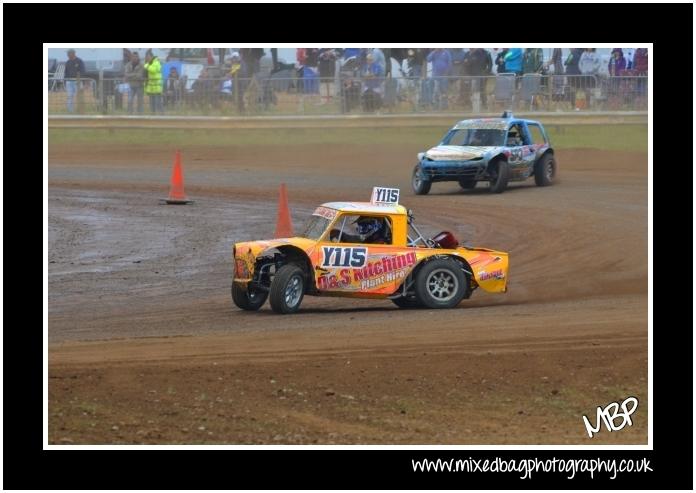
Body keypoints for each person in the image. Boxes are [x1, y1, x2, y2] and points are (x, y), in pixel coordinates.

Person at [64, 49, 86, 113]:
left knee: (79, 96)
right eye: (67, 53)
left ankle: (81, 110)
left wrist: (80, 79)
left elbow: (83, 71)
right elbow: (66, 72)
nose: (67, 55)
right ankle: (70, 111)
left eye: (68, 53)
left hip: (77, 82)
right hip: (69, 82)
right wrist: (65, 80)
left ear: (73, 53)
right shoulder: (67, 62)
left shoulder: (79, 61)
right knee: (69, 96)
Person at [143, 49, 163, 114]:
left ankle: (161, 114)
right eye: (146, 57)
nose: (147, 58)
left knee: (158, 103)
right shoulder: (149, 63)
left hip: (157, 87)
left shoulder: (156, 62)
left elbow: (153, 70)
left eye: (148, 57)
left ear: (151, 56)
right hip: (151, 87)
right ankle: (153, 114)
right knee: (152, 103)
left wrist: (146, 66)